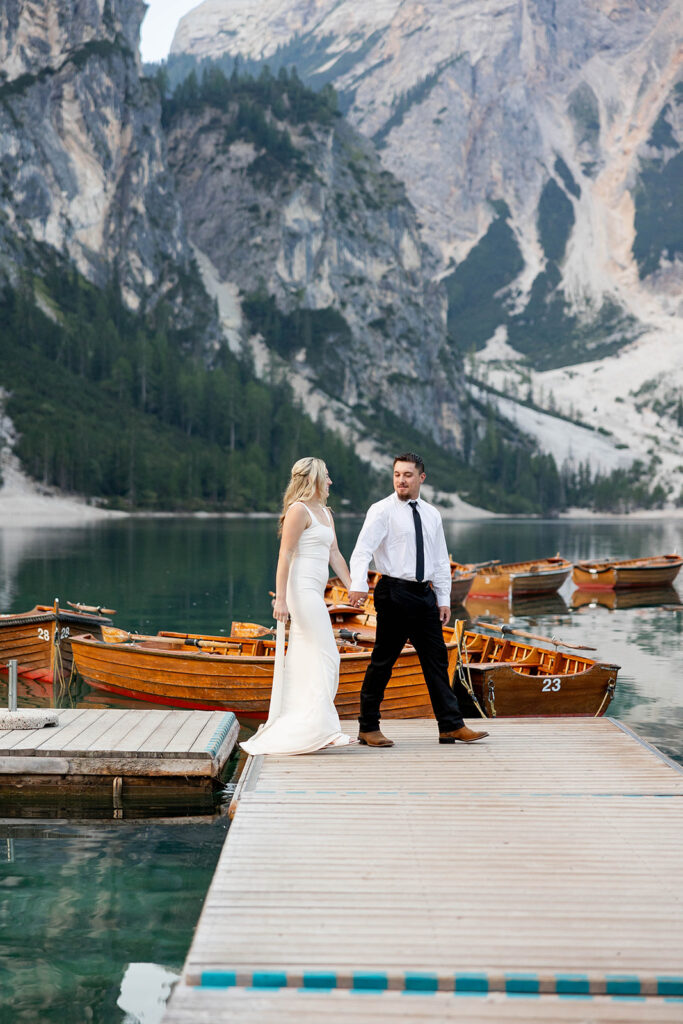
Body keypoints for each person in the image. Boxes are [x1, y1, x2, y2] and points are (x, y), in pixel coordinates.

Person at [348, 452, 488, 747]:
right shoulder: (381, 510)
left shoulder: (431, 514)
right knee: (383, 661)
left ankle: (450, 726)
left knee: (436, 660)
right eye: (397, 474)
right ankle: (367, 727)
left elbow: (439, 560)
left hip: (424, 595)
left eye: (407, 475)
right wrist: (358, 584)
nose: (401, 480)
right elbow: (362, 551)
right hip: (393, 593)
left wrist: (443, 599)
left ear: (421, 478)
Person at [241, 457, 354, 756]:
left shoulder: (326, 514)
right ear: (314, 479)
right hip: (300, 591)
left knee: (309, 659)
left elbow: (335, 553)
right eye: (326, 476)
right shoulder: (298, 511)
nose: (330, 482)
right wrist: (281, 599)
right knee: (329, 656)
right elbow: (285, 555)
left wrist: (352, 585)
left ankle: (315, 727)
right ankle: (325, 729)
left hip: (316, 591)